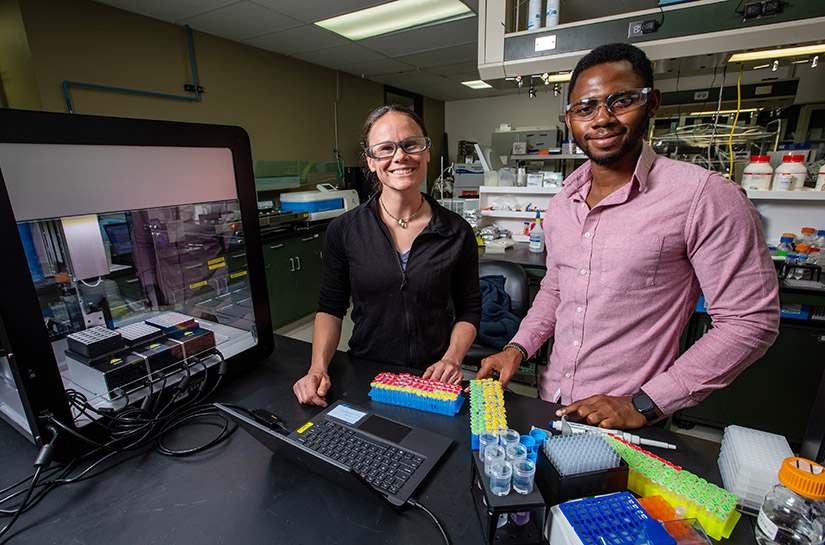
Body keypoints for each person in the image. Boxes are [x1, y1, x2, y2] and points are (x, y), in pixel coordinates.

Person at [474, 43, 780, 429]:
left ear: (652, 103)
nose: (602, 118)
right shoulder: (564, 202)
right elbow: (555, 289)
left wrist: (644, 404)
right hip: (552, 401)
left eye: (621, 101)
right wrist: (518, 348)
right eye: (585, 108)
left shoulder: (704, 196)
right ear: (569, 119)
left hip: (630, 419)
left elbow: (750, 321)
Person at [293, 105, 482, 407]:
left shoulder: (456, 231)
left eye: (411, 144)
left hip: (432, 377)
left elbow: (469, 309)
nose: (400, 156)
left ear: (427, 152)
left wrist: (452, 358)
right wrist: (318, 368)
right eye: (385, 148)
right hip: (366, 374)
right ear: (370, 161)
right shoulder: (345, 230)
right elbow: (330, 308)